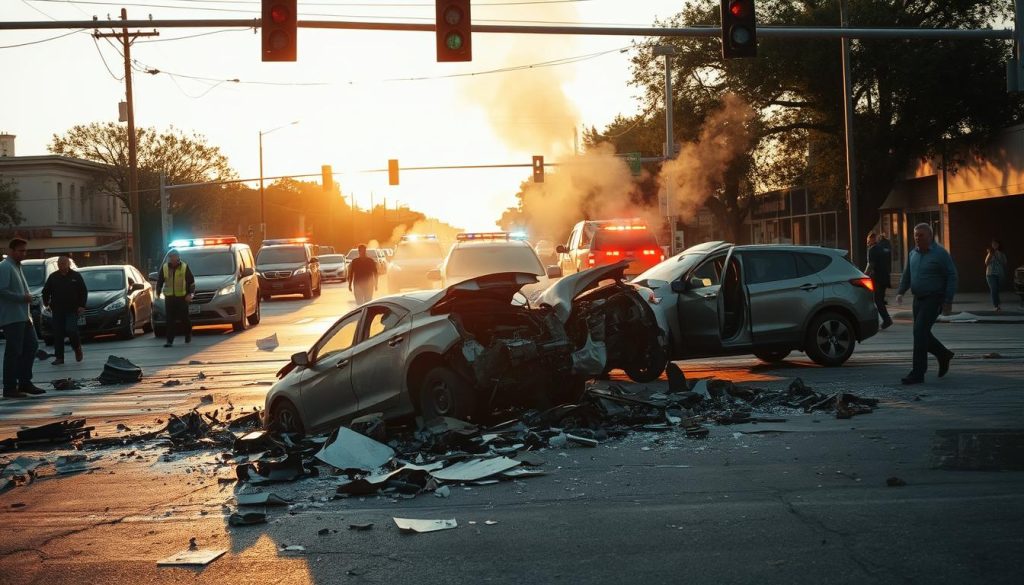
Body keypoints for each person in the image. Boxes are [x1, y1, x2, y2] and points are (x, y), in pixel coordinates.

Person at [896, 223, 958, 385]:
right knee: (921, 333)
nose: (917, 238)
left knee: (919, 332)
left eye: (921, 235)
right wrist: (901, 292)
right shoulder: (912, 254)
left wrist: (948, 301)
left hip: (934, 298)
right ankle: (943, 354)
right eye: (915, 235)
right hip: (918, 300)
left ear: (930, 236)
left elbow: (952, 276)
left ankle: (918, 373)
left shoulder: (940, 254)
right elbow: (907, 274)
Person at [0, 238, 45, 398]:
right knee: (14, 352)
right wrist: (22, 298)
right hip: (12, 317)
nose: (24, 253)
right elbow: (2, 290)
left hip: (24, 316)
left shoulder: (17, 266)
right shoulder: (5, 267)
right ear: (11, 251)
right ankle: (10, 387)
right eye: (20, 251)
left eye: (25, 251)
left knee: (31, 346)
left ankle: (25, 382)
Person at [41, 255, 88, 365]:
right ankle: (59, 357)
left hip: (72, 309)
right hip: (57, 310)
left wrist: (82, 305)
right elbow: (45, 291)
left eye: (63, 263)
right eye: (59, 264)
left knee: (71, 330)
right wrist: (46, 302)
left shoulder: (76, 276)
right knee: (58, 334)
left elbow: (83, 292)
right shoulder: (53, 277)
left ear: (69, 264)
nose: (61, 266)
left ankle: (77, 348)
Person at [156, 249, 195, 347]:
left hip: (182, 298)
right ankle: (169, 341)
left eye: (174, 257)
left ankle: (188, 334)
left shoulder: (184, 267)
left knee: (184, 318)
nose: (172, 259)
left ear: (178, 257)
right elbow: (160, 281)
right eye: (171, 257)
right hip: (169, 298)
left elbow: (191, 282)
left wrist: (190, 294)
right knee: (170, 320)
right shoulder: (165, 268)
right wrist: (158, 290)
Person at [865, 232, 893, 329]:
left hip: (877, 279)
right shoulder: (881, 249)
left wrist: (864, 275)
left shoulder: (872, 250)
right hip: (885, 278)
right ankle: (885, 320)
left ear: (872, 240)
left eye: (868, 240)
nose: (867, 242)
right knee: (879, 299)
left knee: (877, 300)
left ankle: (886, 320)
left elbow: (871, 265)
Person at [985, 239, 1008, 312]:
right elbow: (986, 263)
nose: (994, 245)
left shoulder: (1001, 254)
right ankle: (996, 305)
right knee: (994, 289)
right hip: (990, 274)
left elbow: (1004, 263)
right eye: (993, 244)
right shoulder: (990, 253)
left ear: (998, 245)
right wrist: (990, 254)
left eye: (996, 244)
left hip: (999, 274)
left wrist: (997, 254)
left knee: (997, 290)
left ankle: (998, 304)